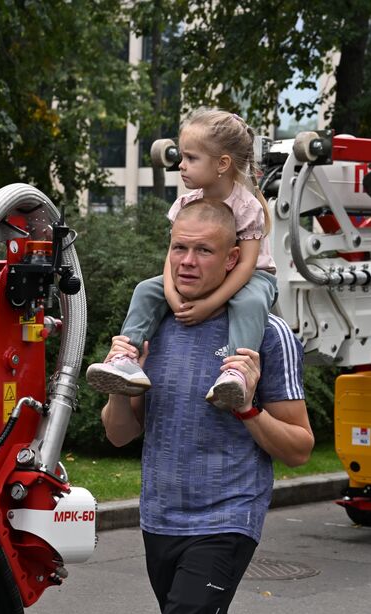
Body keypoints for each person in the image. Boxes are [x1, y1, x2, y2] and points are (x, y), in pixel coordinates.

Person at [69, 198, 314, 614]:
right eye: (179, 247)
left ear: (235, 258)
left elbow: (298, 448)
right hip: (162, 521)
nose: (187, 261)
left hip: (226, 522)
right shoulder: (153, 327)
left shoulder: (261, 335)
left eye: (204, 251)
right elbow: (120, 434)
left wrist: (251, 410)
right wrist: (124, 384)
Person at [85, 108, 277, 411]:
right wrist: (173, 297)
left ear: (222, 164)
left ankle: (236, 372)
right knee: (146, 289)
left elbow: (246, 266)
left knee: (249, 302)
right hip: (210, 277)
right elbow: (170, 259)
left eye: (191, 158)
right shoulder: (185, 203)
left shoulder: (246, 206)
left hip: (251, 277)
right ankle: (127, 357)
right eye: (182, 157)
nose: (181, 165)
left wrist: (209, 305)